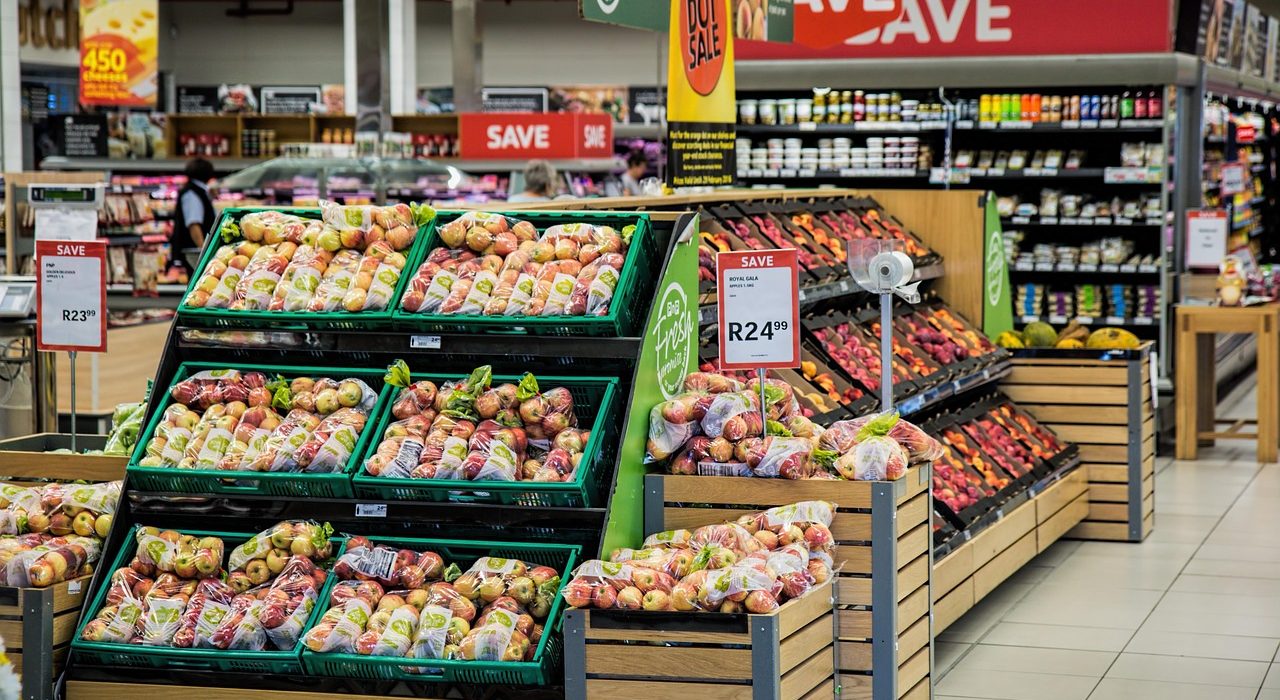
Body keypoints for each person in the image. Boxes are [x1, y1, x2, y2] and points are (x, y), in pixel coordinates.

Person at [173, 157, 216, 269]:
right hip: (193, 255)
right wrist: (204, 252)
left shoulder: (198, 191)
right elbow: (194, 225)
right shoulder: (192, 193)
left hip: (193, 253)